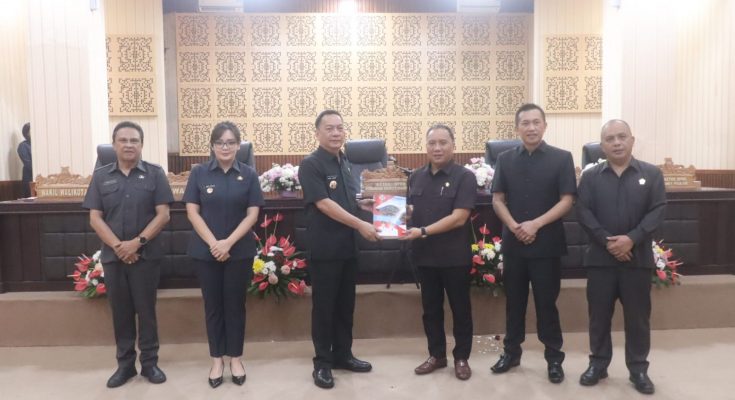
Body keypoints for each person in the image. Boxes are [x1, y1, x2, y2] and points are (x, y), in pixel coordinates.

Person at [576, 119, 666, 395]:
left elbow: (657, 211)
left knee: (638, 318)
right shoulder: (591, 176)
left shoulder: (651, 174)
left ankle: (638, 369)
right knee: (599, 316)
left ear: (632, 140)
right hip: (600, 260)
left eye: (621, 137)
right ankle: (598, 364)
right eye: (610, 139)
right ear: (602, 146)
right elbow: (583, 212)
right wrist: (608, 241)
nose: (616, 143)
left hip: (636, 260)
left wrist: (631, 239)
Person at [82, 121, 173, 388]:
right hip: (114, 258)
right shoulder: (101, 176)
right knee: (120, 313)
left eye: (134, 140)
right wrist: (119, 247)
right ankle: (125, 366)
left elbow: (164, 215)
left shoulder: (155, 174)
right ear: (114, 145)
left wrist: (137, 243)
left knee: (146, 312)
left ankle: (150, 363)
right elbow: (95, 218)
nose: (129, 145)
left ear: (142, 145)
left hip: (146, 256)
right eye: (123, 140)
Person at [490, 103, 576, 383]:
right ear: (517, 128)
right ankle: (511, 353)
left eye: (536, 122)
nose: (531, 127)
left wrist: (535, 224)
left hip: (546, 244)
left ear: (545, 126)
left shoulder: (562, 158)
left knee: (546, 304)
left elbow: (567, 200)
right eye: (525, 123)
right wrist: (515, 226)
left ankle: (554, 358)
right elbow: (497, 199)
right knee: (513, 303)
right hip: (514, 244)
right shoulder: (504, 159)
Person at [298, 109, 380, 389]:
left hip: (348, 247)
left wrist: (363, 205)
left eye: (340, 128)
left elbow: (345, 199)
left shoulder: (344, 161)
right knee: (324, 308)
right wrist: (360, 223)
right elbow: (324, 204)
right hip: (325, 249)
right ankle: (322, 363)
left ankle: (343, 355)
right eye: (329, 128)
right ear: (317, 133)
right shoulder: (311, 164)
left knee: (346, 306)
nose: (336, 133)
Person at [183, 121, 264, 388]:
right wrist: (214, 244)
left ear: (239, 146)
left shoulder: (249, 175)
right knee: (213, 306)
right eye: (219, 143)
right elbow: (192, 211)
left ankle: (236, 359)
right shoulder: (199, 172)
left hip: (238, 252)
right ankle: (217, 359)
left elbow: (252, 214)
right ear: (212, 146)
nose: (225, 147)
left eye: (230, 142)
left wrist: (228, 243)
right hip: (206, 252)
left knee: (235, 305)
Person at [400, 124, 477, 381]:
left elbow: (459, 217)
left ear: (453, 146)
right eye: (432, 143)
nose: (437, 148)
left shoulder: (465, 177)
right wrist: (384, 211)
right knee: (430, 310)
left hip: (454, 256)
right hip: (425, 256)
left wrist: (422, 231)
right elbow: (411, 211)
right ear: (426, 147)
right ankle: (437, 355)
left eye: (443, 142)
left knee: (460, 309)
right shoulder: (416, 177)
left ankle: (461, 357)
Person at [17, 122, 32, 198]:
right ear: (26, 133)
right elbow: (28, 164)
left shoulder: (39, 145)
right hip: (29, 179)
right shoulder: (23, 146)